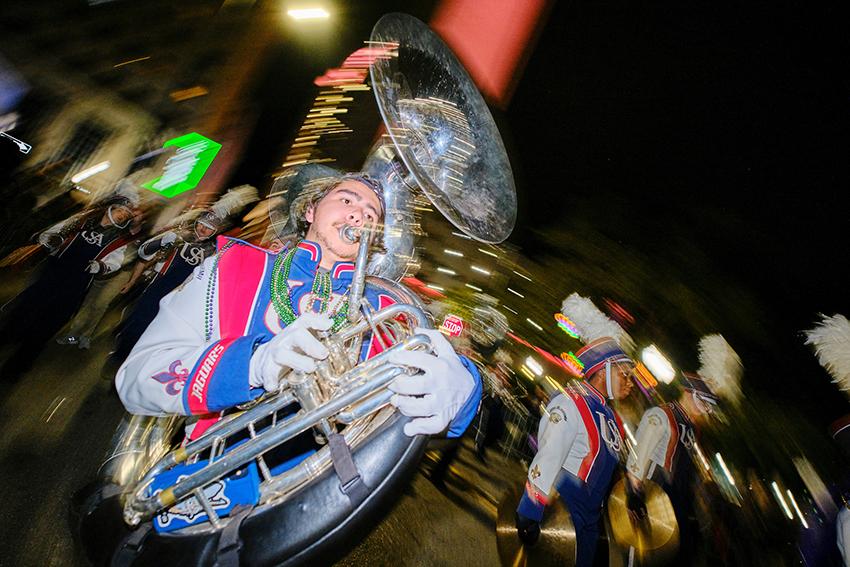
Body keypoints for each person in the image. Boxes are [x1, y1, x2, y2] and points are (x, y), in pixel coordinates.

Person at [116, 168, 481, 457]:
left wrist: (464, 392)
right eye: (347, 199)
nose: (360, 214)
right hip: (203, 479)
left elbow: (427, 372)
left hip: (313, 503)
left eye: (371, 214)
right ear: (310, 210)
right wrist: (253, 365)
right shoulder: (234, 265)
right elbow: (137, 378)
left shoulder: (384, 308)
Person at [515, 293, 634, 567]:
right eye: (624, 373)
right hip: (561, 516)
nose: (629, 382)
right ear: (602, 371)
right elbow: (549, 455)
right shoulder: (573, 403)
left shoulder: (611, 416)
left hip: (590, 523)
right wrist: (530, 510)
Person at [106, 185, 257, 369]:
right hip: (156, 289)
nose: (203, 229)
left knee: (157, 335)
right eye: (202, 224)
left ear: (216, 230)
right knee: (138, 322)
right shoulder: (179, 235)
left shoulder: (215, 250)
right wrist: (161, 241)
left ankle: (137, 364)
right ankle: (120, 357)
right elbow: (143, 252)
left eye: (209, 228)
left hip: (181, 300)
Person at [0, 186, 137, 376]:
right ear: (111, 208)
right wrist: (49, 241)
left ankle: (17, 365)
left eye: (127, 214)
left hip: (76, 284)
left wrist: (100, 266)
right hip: (53, 272)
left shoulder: (119, 239)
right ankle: (7, 336)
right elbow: (53, 233)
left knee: (50, 322)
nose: (123, 215)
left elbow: (116, 261)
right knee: (26, 308)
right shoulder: (83, 219)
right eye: (121, 210)